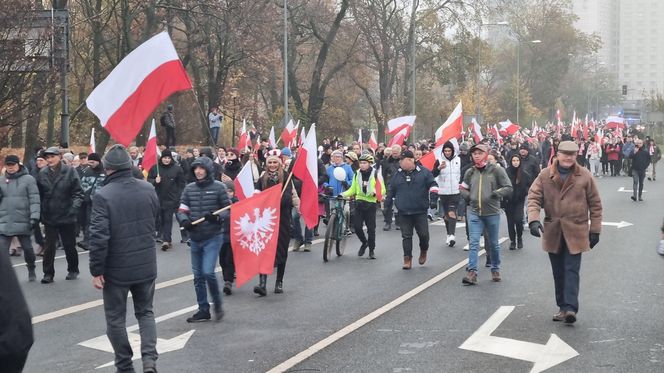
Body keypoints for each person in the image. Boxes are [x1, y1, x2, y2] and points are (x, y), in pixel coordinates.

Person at [88, 145, 160, 373]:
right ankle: (149, 360)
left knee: (116, 319)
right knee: (146, 312)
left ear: (107, 169)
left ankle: (124, 364)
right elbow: (155, 219)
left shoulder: (103, 195)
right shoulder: (148, 188)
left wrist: (96, 269)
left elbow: (99, 237)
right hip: (146, 263)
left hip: (117, 269)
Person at [527, 140, 602, 324]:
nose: (568, 158)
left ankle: (570, 308)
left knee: (571, 269)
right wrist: (534, 220)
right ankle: (562, 306)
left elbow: (596, 204)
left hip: (576, 230)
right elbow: (534, 197)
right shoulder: (545, 175)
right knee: (558, 271)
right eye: (565, 154)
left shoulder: (584, 175)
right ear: (557, 155)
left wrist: (595, 230)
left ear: (576, 156)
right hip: (553, 230)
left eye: (572, 154)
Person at [177, 156, 231, 322]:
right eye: (196, 168)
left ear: (208, 170)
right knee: (198, 276)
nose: (198, 171)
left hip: (212, 236)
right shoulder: (189, 189)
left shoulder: (219, 187)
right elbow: (182, 209)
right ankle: (203, 309)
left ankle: (217, 304)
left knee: (208, 272)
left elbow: (227, 210)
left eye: (201, 168)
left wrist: (216, 218)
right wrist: (185, 221)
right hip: (195, 237)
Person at [459, 144, 513, 284]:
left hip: (492, 212)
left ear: (486, 154)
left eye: (479, 153)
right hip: (474, 212)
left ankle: (495, 268)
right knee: (474, 243)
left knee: (493, 244)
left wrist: (496, 194)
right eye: (474, 153)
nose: (476, 155)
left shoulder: (496, 170)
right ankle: (472, 272)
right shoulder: (470, 172)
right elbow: (463, 188)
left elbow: (508, 187)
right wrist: (468, 196)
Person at [253, 150, 299, 295]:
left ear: (279, 164)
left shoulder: (286, 177)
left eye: (275, 162)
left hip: (282, 220)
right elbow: (256, 195)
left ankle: (279, 282)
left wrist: (274, 200)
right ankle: (262, 283)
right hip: (265, 221)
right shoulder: (262, 179)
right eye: (270, 163)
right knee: (264, 250)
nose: (272, 165)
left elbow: (287, 198)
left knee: (281, 250)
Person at [36, 147, 84, 283]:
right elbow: (39, 195)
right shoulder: (42, 173)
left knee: (69, 245)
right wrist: (40, 212)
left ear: (59, 156)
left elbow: (78, 193)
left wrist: (74, 208)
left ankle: (73, 269)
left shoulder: (69, 171)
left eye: (52, 157)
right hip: (49, 215)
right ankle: (48, 274)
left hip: (67, 214)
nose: (49, 160)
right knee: (49, 246)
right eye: (47, 157)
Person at [385, 150, 436, 270]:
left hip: (420, 211)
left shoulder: (424, 172)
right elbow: (391, 189)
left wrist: (433, 199)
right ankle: (407, 259)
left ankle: (424, 250)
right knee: (406, 236)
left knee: (423, 235)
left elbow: (433, 185)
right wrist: (387, 203)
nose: (400, 163)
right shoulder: (397, 174)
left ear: (410, 160)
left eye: (402, 161)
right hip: (404, 211)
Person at [0, 155, 40, 281]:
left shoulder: (28, 179)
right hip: (5, 220)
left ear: (18, 165)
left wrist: (34, 216)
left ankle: (31, 268)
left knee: (28, 249)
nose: (10, 168)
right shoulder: (1, 180)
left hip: (23, 219)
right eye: (8, 165)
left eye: (13, 165)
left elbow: (34, 199)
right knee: (2, 251)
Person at [342, 153, 385, 259]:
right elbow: (353, 189)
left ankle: (371, 250)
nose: (362, 165)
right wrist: (342, 194)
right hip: (359, 202)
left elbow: (383, 189)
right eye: (361, 163)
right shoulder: (357, 174)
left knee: (371, 229)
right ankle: (364, 242)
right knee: (357, 227)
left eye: (365, 163)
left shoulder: (376, 174)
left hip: (371, 204)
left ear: (370, 164)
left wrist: (375, 192)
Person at [147, 149, 185, 251]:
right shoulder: (155, 168)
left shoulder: (177, 169)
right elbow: (148, 181)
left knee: (168, 219)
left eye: (168, 158)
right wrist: (155, 181)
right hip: (157, 198)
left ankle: (167, 240)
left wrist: (178, 196)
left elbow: (181, 184)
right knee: (159, 219)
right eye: (165, 158)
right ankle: (159, 236)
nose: (167, 160)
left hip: (171, 199)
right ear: (161, 158)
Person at [432, 141, 461, 247]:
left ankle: (452, 235)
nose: (447, 152)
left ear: (452, 151)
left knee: (452, 212)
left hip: (455, 191)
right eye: (445, 151)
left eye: (449, 150)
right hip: (444, 191)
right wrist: (439, 169)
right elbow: (433, 174)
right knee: (446, 216)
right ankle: (448, 234)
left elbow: (461, 174)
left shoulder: (458, 160)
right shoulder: (439, 161)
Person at [504, 154, 533, 250]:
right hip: (508, 201)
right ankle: (512, 241)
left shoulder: (524, 173)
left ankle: (519, 237)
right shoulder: (506, 173)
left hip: (519, 201)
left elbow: (531, 185)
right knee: (510, 222)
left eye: (517, 160)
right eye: (513, 160)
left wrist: (525, 192)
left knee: (518, 219)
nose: (515, 162)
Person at [78, 153, 105, 250]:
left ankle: (93, 241)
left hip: (100, 201)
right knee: (87, 221)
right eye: (89, 162)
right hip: (87, 201)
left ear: (98, 161)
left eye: (92, 162)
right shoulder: (88, 171)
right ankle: (87, 241)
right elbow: (82, 184)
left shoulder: (105, 171)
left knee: (95, 221)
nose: (90, 164)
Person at [381, 145, 402, 231]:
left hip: (400, 185)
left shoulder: (402, 161)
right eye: (393, 153)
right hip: (389, 185)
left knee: (399, 204)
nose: (394, 155)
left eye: (396, 153)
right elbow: (383, 174)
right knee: (387, 204)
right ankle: (387, 222)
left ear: (399, 153)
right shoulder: (386, 162)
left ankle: (399, 222)